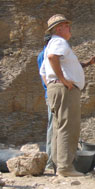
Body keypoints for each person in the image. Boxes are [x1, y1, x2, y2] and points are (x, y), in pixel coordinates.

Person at [39, 14, 95, 177]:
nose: (69, 28)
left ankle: (60, 166)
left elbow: (43, 71)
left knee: (59, 127)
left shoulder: (51, 44)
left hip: (56, 89)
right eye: (66, 25)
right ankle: (66, 167)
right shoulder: (59, 41)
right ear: (58, 28)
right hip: (64, 90)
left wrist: (52, 82)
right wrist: (63, 80)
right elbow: (52, 58)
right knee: (69, 126)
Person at [37, 33, 56, 173]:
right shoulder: (46, 55)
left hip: (51, 93)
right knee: (53, 127)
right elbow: (44, 73)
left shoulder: (44, 54)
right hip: (52, 94)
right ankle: (50, 162)